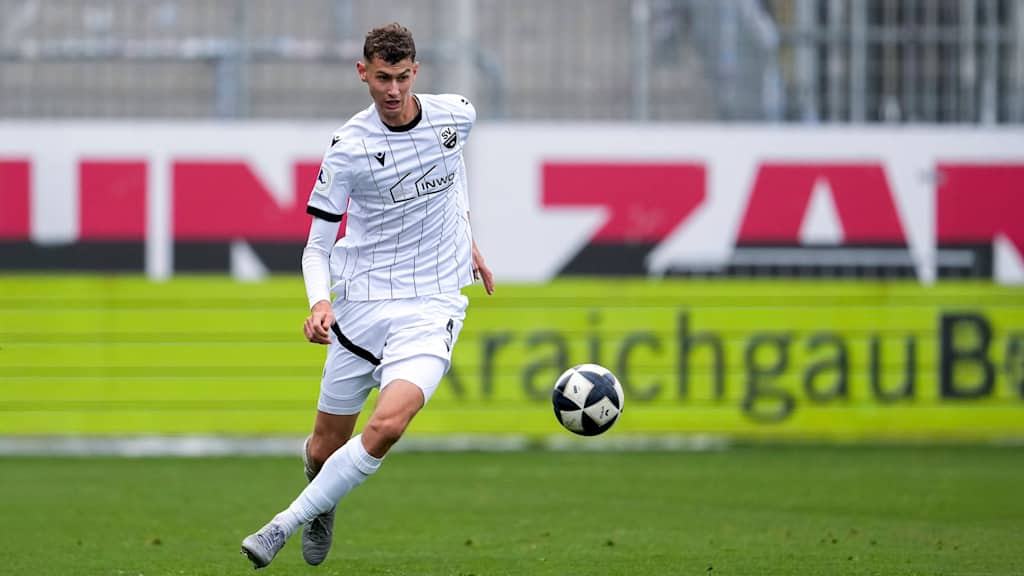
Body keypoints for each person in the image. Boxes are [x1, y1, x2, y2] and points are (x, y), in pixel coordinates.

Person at [241, 22, 494, 569]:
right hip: (362, 303)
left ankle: (283, 523)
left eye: (402, 77)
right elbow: (316, 247)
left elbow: (453, 172)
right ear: (363, 73)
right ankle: (323, 496)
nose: (394, 90)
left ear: (416, 71)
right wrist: (319, 302)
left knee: (387, 426)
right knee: (323, 447)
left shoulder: (457, 115)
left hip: (433, 304)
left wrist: (467, 239)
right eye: (382, 78)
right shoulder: (349, 149)